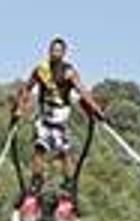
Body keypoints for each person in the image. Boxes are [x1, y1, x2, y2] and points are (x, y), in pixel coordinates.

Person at [11, 37, 105, 198]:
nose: (55, 53)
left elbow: (82, 90)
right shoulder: (41, 70)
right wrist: (19, 109)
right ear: (49, 51)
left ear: (64, 53)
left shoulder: (69, 71)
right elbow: (27, 89)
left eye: (59, 51)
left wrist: (97, 110)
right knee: (39, 148)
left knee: (64, 152)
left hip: (61, 118)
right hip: (44, 115)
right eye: (53, 50)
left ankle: (69, 183)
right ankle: (36, 180)